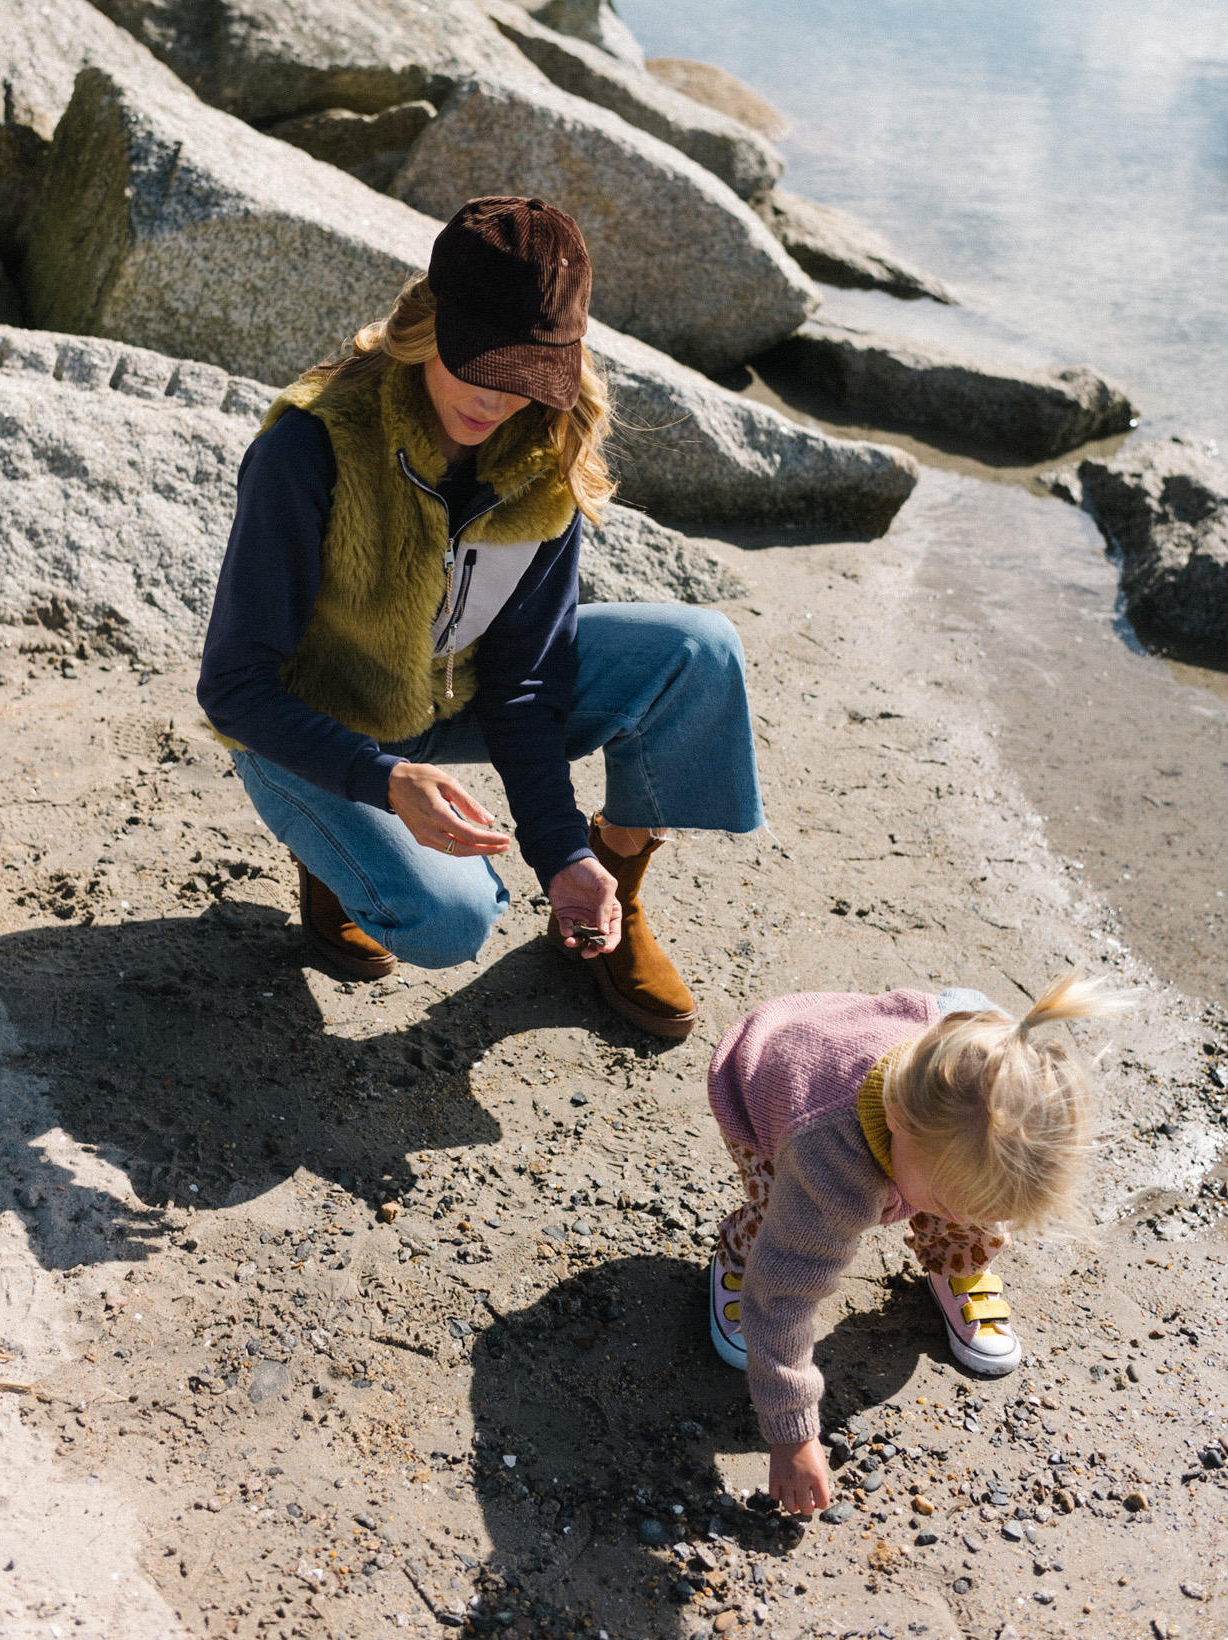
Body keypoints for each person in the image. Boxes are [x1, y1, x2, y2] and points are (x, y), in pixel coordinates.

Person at [197, 194, 764, 1040]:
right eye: (479, 363)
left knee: (698, 651)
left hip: (447, 698)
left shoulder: (544, 456)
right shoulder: (309, 447)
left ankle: (608, 899)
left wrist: (563, 853)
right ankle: (335, 851)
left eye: (526, 376)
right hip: (311, 726)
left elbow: (528, 682)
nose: (498, 400)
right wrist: (380, 778)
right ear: (429, 326)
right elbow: (233, 688)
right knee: (447, 920)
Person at [704, 971, 1128, 1516]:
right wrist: (791, 1434)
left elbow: (977, 1158)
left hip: (885, 1061)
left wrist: (965, 1210)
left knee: (968, 1195)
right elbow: (785, 1299)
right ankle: (737, 1259)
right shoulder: (831, 1162)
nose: (974, 1217)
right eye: (955, 1201)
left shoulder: (992, 1052)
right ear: (899, 1122)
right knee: (780, 1230)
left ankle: (955, 1265)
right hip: (765, 1082)